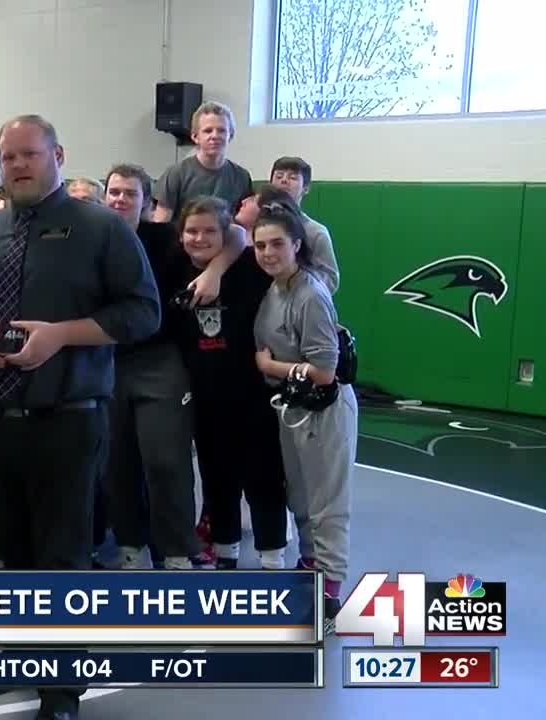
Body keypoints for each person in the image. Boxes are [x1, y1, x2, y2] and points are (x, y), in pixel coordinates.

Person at [0, 116, 160, 719]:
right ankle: (18, 656)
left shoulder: (102, 229)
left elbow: (143, 313)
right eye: (9, 156)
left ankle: (60, 687)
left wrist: (61, 336)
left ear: (58, 154)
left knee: (61, 556)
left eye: (30, 154)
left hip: (68, 418)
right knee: (10, 552)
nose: (19, 165)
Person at [101, 163, 214, 571]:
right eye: (114, 192)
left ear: (147, 204)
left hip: (160, 360)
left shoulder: (166, 239)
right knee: (118, 461)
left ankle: (177, 550)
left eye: (130, 193)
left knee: (165, 460)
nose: (120, 200)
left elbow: (233, 235)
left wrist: (216, 270)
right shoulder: (91, 240)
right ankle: (131, 544)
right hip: (107, 360)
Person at [252, 201, 357, 633]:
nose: (268, 252)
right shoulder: (274, 290)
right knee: (301, 498)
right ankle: (309, 570)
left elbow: (325, 371)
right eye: (260, 245)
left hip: (324, 411)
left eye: (277, 243)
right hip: (293, 409)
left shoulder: (310, 295)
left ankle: (329, 594)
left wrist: (270, 367)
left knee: (327, 504)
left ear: (297, 245)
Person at [169, 197, 288, 570]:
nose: (199, 238)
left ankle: (272, 557)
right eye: (192, 231)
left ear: (225, 235)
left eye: (209, 231)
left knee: (263, 478)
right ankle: (226, 552)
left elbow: (247, 238)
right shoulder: (173, 268)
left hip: (256, 396)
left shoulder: (251, 268)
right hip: (206, 398)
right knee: (217, 478)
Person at [152, 101, 252, 222]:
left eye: (221, 130)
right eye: (208, 131)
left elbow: (246, 225)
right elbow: (161, 222)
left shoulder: (242, 177)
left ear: (230, 135)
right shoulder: (176, 174)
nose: (214, 136)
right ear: (195, 136)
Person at [266, 157, 339, 293]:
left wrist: (297, 285)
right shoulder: (256, 225)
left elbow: (331, 278)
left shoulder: (315, 232)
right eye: (279, 176)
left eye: (293, 178)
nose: (284, 180)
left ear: (305, 188)